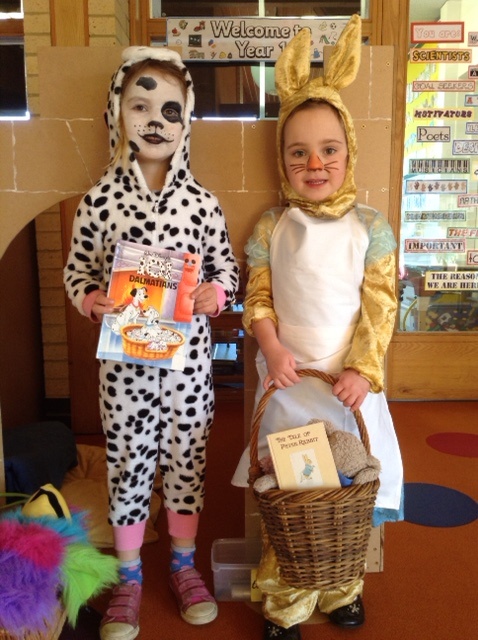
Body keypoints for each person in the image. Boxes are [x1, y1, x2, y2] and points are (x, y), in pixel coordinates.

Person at [231, 15, 403, 640]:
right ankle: (286, 602)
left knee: (347, 498)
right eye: (298, 152)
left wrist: (363, 369)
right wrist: (272, 347)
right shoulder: (271, 227)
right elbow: (258, 297)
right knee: (293, 497)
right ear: (282, 159)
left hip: (348, 387)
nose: (315, 162)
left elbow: (380, 304)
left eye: (329, 149)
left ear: (349, 151)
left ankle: (342, 587)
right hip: (287, 384)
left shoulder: (370, 226)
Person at [64, 45, 240, 640]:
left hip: (189, 372)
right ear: (118, 112)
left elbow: (226, 267)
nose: (156, 121)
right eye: (141, 107)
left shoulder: (203, 204)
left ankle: (184, 565)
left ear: (186, 120)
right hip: (124, 374)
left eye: (170, 109)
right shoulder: (98, 201)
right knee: (128, 466)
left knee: (188, 463)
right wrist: (92, 300)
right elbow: (76, 271)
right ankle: (130, 574)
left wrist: (217, 294)